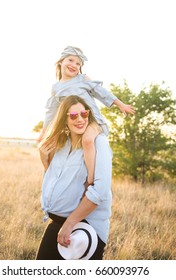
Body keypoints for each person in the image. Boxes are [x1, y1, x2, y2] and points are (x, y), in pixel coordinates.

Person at [39, 46, 135, 188]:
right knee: (55, 146)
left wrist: (120, 104)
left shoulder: (82, 79)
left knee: (88, 140)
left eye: (78, 64)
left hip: (92, 121)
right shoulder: (56, 88)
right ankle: (52, 178)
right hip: (73, 125)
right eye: (71, 60)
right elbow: (51, 111)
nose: (74, 65)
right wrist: (44, 131)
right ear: (60, 62)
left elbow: (101, 92)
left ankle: (91, 178)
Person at [36, 95, 113, 260]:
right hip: (57, 224)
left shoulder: (99, 143)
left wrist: (69, 223)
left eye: (84, 114)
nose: (80, 119)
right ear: (64, 119)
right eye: (73, 116)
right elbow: (58, 181)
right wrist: (45, 160)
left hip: (83, 229)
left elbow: (100, 192)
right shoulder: (62, 143)